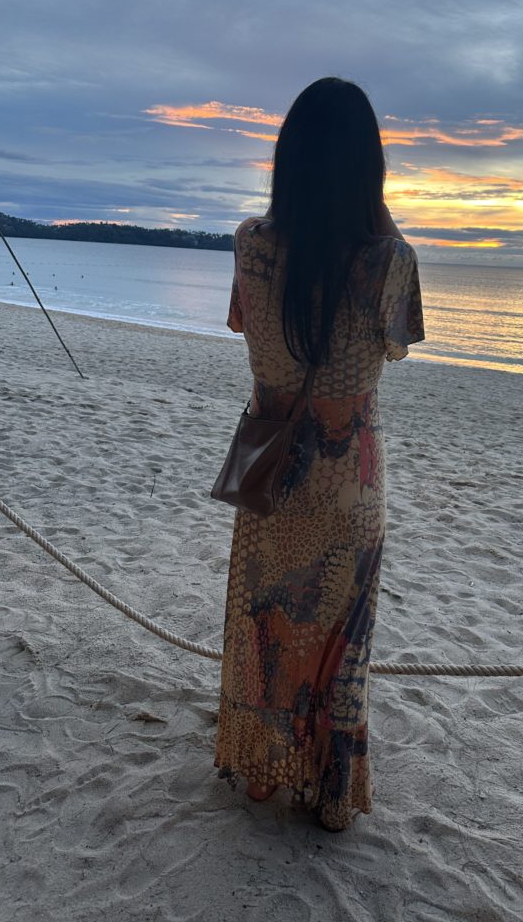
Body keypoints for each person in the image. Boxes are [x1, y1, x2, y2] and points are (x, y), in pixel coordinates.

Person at [214, 77, 425, 833]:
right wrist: (376, 219)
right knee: (344, 640)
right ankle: (331, 794)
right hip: (349, 480)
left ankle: (263, 774)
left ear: (286, 161)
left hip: (272, 471)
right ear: (371, 167)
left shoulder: (250, 244)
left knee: (265, 627)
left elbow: (247, 327)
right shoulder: (389, 258)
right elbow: (396, 347)